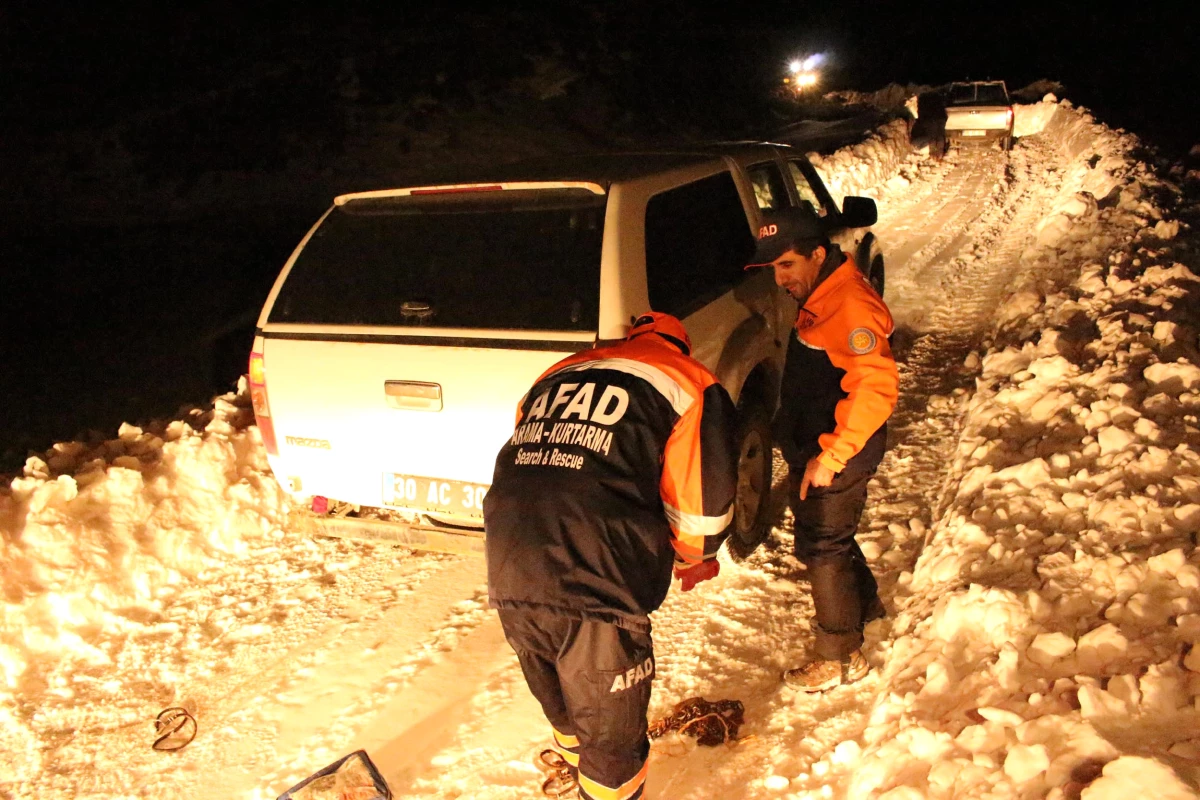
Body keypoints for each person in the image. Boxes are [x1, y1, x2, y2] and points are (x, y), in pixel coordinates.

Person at [483, 311, 738, 800]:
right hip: (596, 576)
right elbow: (702, 501)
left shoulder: (558, 373)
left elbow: (539, 461)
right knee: (611, 731)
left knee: (556, 690)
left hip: (511, 558)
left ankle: (572, 763)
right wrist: (693, 556)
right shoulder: (689, 382)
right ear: (679, 345)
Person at [745, 207, 899, 693]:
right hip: (817, 441)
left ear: (817, 253)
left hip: (839, 446)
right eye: (773, 268)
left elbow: (875, 389)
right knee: (828, 534)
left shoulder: (849, 304)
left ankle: (840, 656)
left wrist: (831, 456)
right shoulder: (823, 290)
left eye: (787, 265)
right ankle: (865, 607)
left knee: (822, 545)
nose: (780, 278)